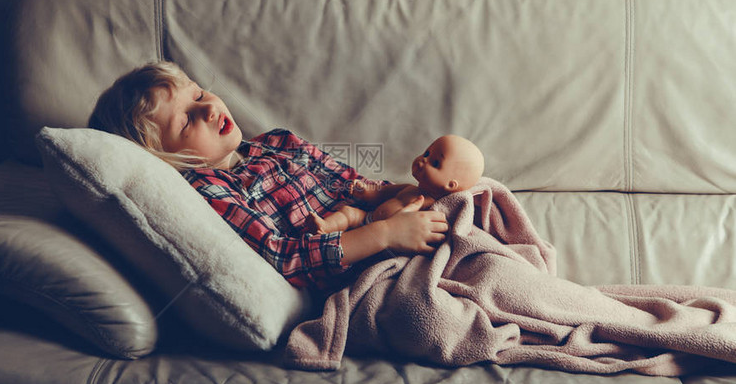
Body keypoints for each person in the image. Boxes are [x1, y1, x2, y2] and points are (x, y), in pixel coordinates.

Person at [88, 60, 448, 291]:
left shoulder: (279, 142)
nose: (209, 108)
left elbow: (352, 181)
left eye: (198, 94)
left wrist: (402, 199)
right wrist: (384, 233)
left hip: (398, 225)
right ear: (166, 157)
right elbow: (283, 258)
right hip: (362, 273)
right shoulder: (209, 191)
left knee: (471, 202)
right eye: (185, 120)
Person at [304, 135, 484, 234]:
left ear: (451, 185)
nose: (423, 160)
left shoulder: (432, 208)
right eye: (427, 153)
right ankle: (325, 227)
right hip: (367, 218)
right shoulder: (410, 189)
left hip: (380, 239)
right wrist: (366, 191)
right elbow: (382, 193)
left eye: (435, 163)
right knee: (348, 213)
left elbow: (412, 230)